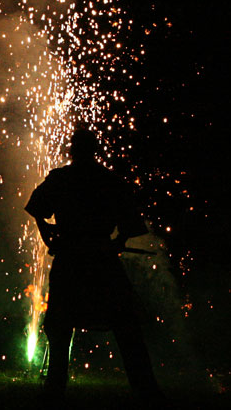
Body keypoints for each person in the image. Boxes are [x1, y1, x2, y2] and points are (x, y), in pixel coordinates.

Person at [25, 129, 163, 402]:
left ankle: (55, 389)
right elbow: (128, 223)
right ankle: (146, 390)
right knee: (125, 326)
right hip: (101, 261)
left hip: (72, 259)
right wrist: (117, 241)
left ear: (72, 151)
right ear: (95, 150)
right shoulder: (108, 181)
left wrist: (47, 234)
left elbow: (37, 210)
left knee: (62, 326)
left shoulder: (62, 179)